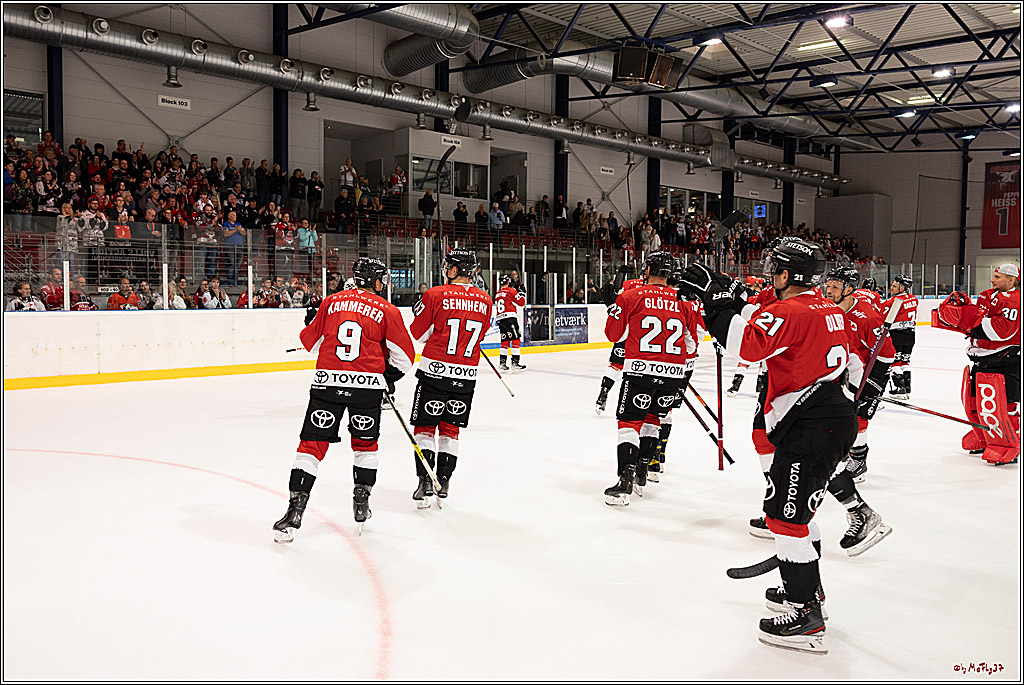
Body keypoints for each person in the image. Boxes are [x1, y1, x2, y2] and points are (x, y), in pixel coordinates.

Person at [677, 238, 857, 655]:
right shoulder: (828, 308)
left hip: (811, 426)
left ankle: (805, 613)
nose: (770, 274)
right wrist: (732, 299)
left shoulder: (790, 310)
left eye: (775, 268)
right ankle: (810, 593)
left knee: (786, 518)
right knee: (798, 512)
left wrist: (717, 304)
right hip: (827, 416)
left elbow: (746, 347)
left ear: (788, 274)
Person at [273, 257, 415, 539]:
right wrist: (385, 375)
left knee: (310, 447)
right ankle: (361, 501)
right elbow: (406, 358)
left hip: (327, 384)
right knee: (365, 445)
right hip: (366, 389)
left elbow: (309, 343)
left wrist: (310, 321)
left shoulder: (330, 302)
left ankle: (295, 510)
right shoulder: (387, 310)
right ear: (375, 281)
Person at [600, 252, 696, 505]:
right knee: (653, 420)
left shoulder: (630, 296)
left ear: (648, 269)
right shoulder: (684, 302)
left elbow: (613, 335)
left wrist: (615, 310)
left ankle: (624, 483)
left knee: (629, 424)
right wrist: (683, 373)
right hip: (673, 374)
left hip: (640, 370)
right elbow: (691, 343)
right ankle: (642, 472)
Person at [407, 248, 492, 506]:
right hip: (466, 376)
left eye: (447, 266)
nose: (445, 270)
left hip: (434, 374)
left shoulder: (434, 294)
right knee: (450, 431)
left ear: (454, 270)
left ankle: (425, 481)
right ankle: (443, 481)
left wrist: (419, 315)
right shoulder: (486, 300)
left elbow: (419, 335)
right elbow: (481, 334)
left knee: (424, 429)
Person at [820, 267, 894, 548]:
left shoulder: (866, 318)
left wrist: (876, 384)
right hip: (842, 373)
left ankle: (859, 457)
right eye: (830, 283)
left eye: (837, 285)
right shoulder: (827, 309)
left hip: (866, 374)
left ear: (850, 288)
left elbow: (886, 354)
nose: (831, 288)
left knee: (859, 418)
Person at [935, 263, 1021, 465]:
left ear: (1011, 280)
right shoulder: (988, 295)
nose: (993, 279)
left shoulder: (1015, 300)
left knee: (1005, 404)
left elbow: (1000, 331)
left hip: (1005, 359)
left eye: (998, 277)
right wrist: (962, 309)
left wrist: (967, 320)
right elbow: (976, 318)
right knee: (976, 401)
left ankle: (1009, 442)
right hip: (981, 358)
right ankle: (985, 435)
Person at [595, 265, 645, 414]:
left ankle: (603, 393)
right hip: (642, 331)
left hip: (625, 328)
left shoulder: (629, 283)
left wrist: (621, 273)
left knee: (615, 365)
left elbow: (616, 291)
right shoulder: (653, 289)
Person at [884, 275, 918, 399]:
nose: (891, 288)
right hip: (911, 334)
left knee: (895, 363)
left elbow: (883, 316)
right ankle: (907, 387)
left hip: (897, 334)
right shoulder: (914, 298)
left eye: (894, 286)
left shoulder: (893, 301)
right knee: (905, 362)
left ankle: (900, 389)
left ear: (903, 288)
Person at [495, 274, 527, 372]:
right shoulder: (511, 290)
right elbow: (521, 302)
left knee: (505, 341)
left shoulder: (498, 293)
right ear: (508, 282)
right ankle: (515, 364)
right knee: (516, 340)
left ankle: (502, 364)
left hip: (500, 319)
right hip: (509, 318)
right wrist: (522, 293)